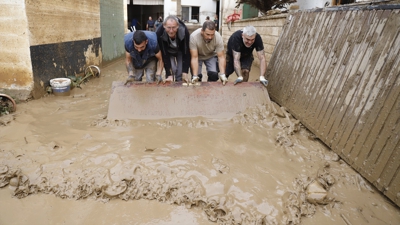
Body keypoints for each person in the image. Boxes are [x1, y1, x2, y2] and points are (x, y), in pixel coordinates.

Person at [189, 20, 226, 84]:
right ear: (202, 31)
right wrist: (195, 75)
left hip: (210, 55)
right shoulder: (193, 37)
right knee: (197, 77)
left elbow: (221, 57)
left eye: (212, 35)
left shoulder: (218, 37)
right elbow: (194, 57)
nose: (210, 37)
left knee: (214, 75)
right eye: (207, 34)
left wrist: (222, 74)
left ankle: (210, 91)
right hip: (198, 56)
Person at [156, 15, 191, 82]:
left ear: (178, 26)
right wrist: (169, 74)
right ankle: (170, 85)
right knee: (172, 69)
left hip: (180, 50)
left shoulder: (184, 31)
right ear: (164, 26)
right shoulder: (159, 33)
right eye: (168, 28)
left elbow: (186, 52)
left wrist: (185, 72)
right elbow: (164, 53)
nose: (171, 31)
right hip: (168, 51)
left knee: (180, 71)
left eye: (174, 27)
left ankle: (179, 86)